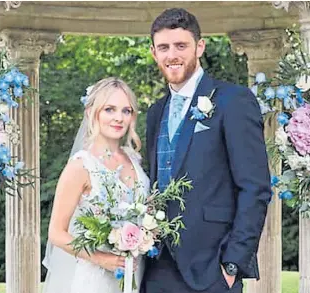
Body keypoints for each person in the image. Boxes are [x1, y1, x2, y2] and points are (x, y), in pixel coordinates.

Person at [141, 8, 272, 293]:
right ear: (153, 53)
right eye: (163, 47)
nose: (172, 55)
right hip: (156, 266)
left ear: (199, 46)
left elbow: (255, 188)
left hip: (211, 268)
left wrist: (232, 263)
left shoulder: (233, 101)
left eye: (181, 45)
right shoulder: (155, 112)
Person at [42, 77, 150, 293]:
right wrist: (102, 258)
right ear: (92, 112)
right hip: (96, 278)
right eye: (109, 109)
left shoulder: (133, 159)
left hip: (135, 272)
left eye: (126, 111)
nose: (118, 118)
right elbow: (56, 233)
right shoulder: (81, 166)